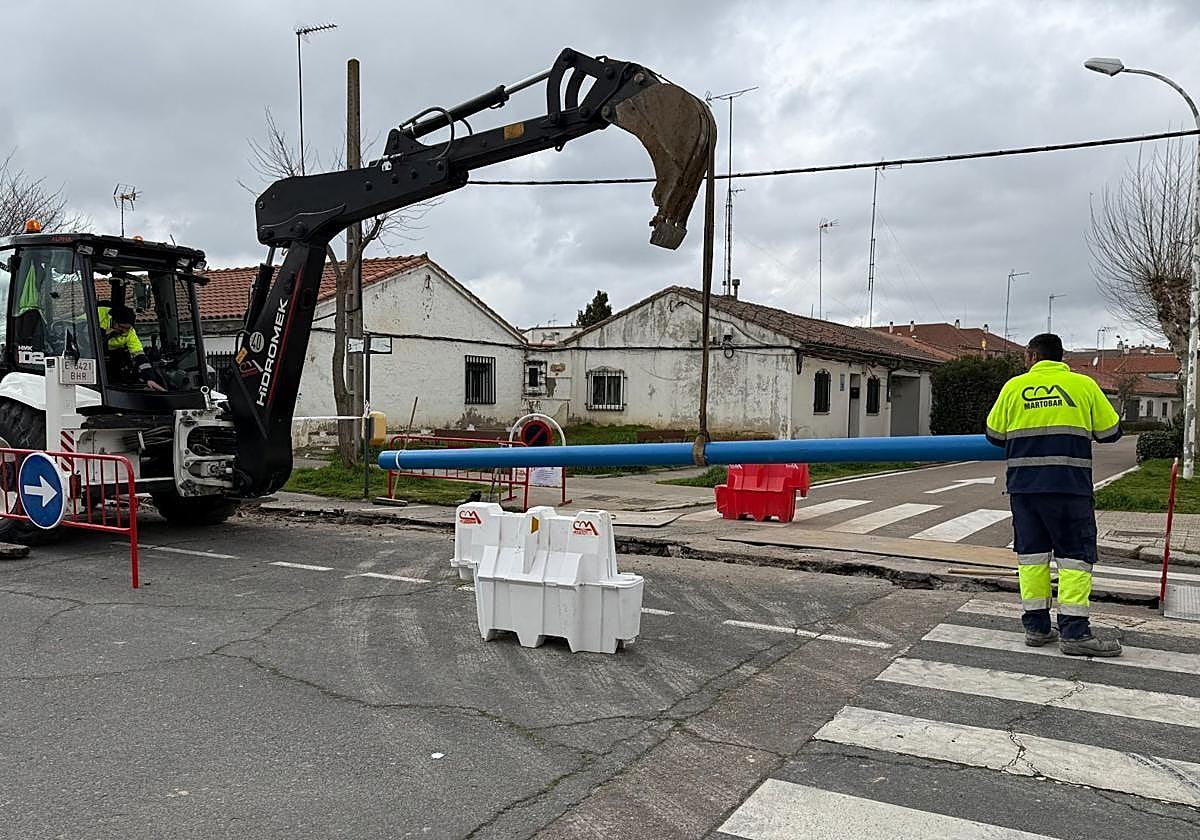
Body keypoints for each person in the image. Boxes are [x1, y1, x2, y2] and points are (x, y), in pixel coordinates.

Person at [985, 332, 1123, 656]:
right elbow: (1111, 432)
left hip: (1024, 489)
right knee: (1074, 558)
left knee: (1032, 558)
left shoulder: (1014, 387)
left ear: (1033, 356)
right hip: (1068, 487)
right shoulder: (1083, 385)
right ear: (1061, 357)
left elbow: (994, 434)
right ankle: (1075, 633)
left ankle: (1036, 628)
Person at [98, 303, 166, 391]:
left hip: (111, 356)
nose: (125, 331)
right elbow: (83, 329)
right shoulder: (98, 313)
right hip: (89, 351)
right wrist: (103, 333)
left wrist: (149, 378)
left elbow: (139, 355)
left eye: (128, 328)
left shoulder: (130, 333)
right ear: (114, 322)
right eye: (122, 327)